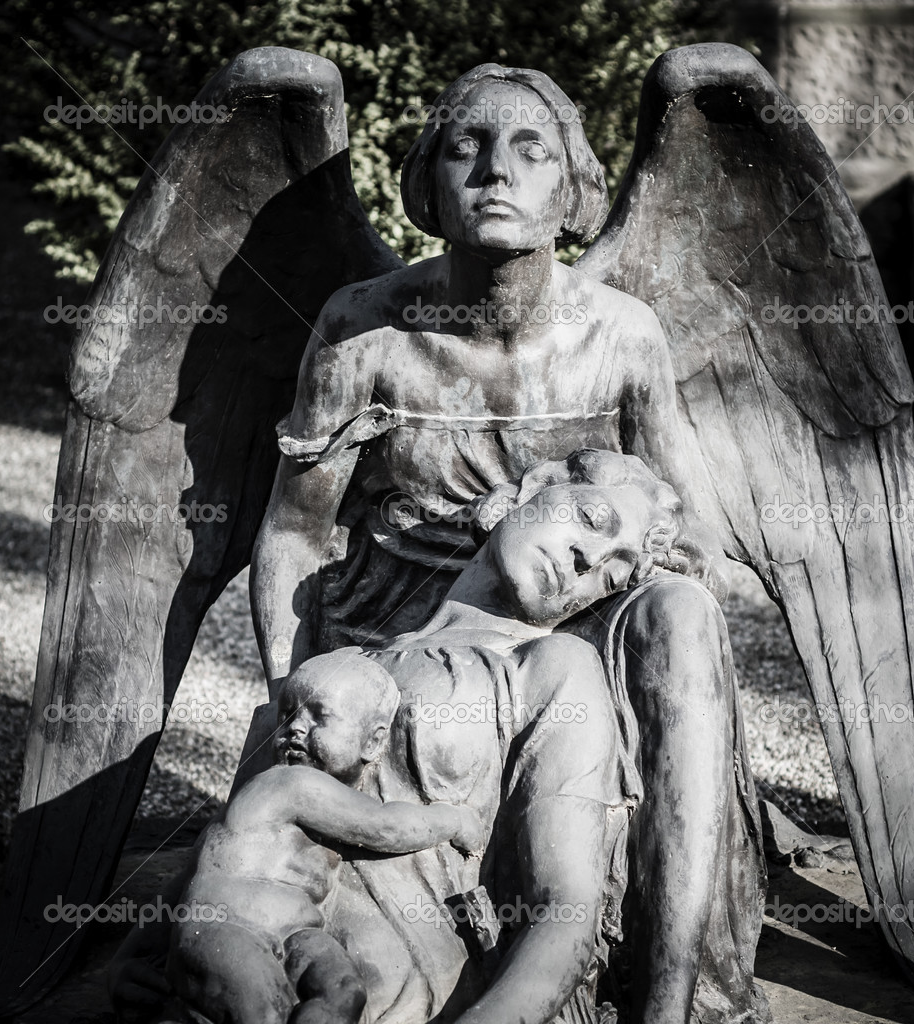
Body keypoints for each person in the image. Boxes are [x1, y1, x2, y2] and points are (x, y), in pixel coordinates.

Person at [251, 62, 761, 1024]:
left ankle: (669, 987)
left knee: (684, 615)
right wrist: (295, 701)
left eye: (532, 151)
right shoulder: (363, 329)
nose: (496, 171)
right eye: (467, 147)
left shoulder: (622, 335)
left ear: (571, 189)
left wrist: (619, 546)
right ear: (428, 179)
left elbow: (689, 531)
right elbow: (292, 529)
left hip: (566, 612)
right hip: (399, 618)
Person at [142, 653, 483, 1024]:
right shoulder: (289, 783)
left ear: (373, 742)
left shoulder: (315, 800)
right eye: (287, 715)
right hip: (228, 930)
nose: (295, 728)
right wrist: (453, 820)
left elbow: (186, 876)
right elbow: (385, 827)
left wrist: (133, 955)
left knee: (344, 993)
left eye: (319, 716)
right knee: (263, 1013)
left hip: (297, 935)